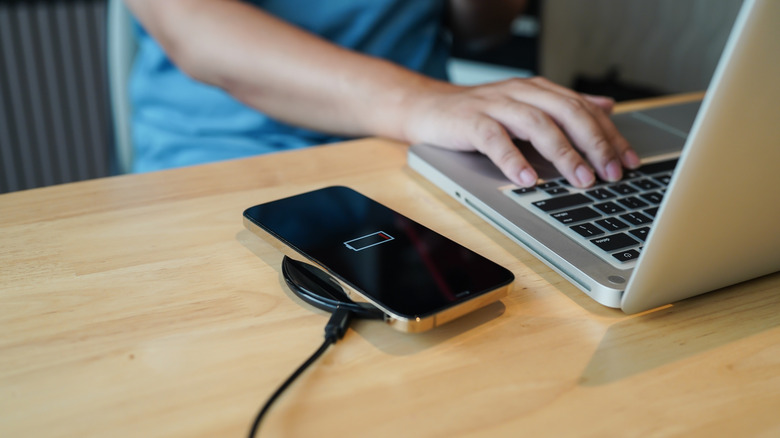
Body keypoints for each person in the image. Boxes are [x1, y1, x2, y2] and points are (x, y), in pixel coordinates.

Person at [124, 0, 640, 188]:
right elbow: (192, 28)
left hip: (412, 153)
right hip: (222, 159)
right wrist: (418, 102)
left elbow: (485, 25)